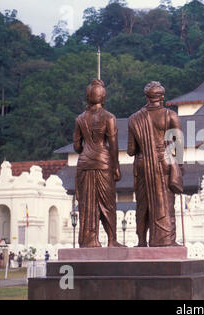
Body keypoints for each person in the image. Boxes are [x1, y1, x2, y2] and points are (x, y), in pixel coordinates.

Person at [128, 81, 184, 247]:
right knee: (166, 203)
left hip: (142, 164)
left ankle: (141, 240)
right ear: (162, 97)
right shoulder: (170, 116)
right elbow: (178, 143)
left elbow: (131, 150)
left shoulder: (133, 119)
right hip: (164, 161)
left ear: (147, 97)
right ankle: (167, 239)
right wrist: (180, 167)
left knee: (143, 203)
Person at [73, 79, 124, 248]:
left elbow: (77, 146)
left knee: (87, 203)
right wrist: (116, 166)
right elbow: (113, 145)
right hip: (103, 161)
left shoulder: (80, 119)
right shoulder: (109, 117)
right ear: (103, 97)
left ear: (88, 97)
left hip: (85, 162)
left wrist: (87, 148)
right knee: (107, 202)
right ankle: (112, 239)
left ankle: (89, 239)